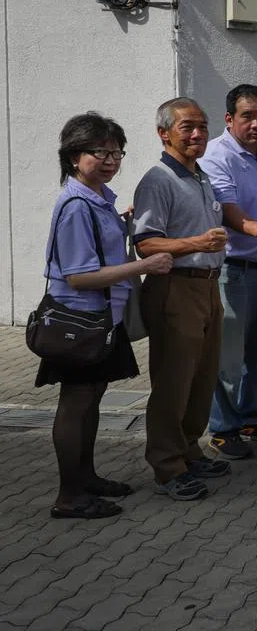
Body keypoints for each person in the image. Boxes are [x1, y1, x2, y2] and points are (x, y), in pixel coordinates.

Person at [38, 114, 174, 519]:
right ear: (75, 156)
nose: (111, 160)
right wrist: (143, 267)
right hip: (79, 323)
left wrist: (123, 222)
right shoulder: (77, 205)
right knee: (76, 403)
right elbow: (79, 276)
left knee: (92, 398)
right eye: (100, 151)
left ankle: (87, 478)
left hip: (101, 320)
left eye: (116, 151)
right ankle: (69, 496)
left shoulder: (98, 199)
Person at [134, 98, 230, 501]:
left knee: (202, 377)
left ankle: (189, 449)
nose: (197, 135)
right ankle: (168, 466)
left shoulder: (200, 176)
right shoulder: (157, 179)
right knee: (173, 381)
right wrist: (197, 243)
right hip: (176, 287)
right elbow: (144, 243)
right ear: (164, 133)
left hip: (208, 286)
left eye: (202, 127)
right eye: (187, 127)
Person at [199, 84, 257, 462]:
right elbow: (227, 208)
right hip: (234, 271)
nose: (256, 124)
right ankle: (221, 429)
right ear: (229, 119)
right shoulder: (216, 155)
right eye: (247, 116)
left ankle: (248, 417)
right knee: (229, 357)